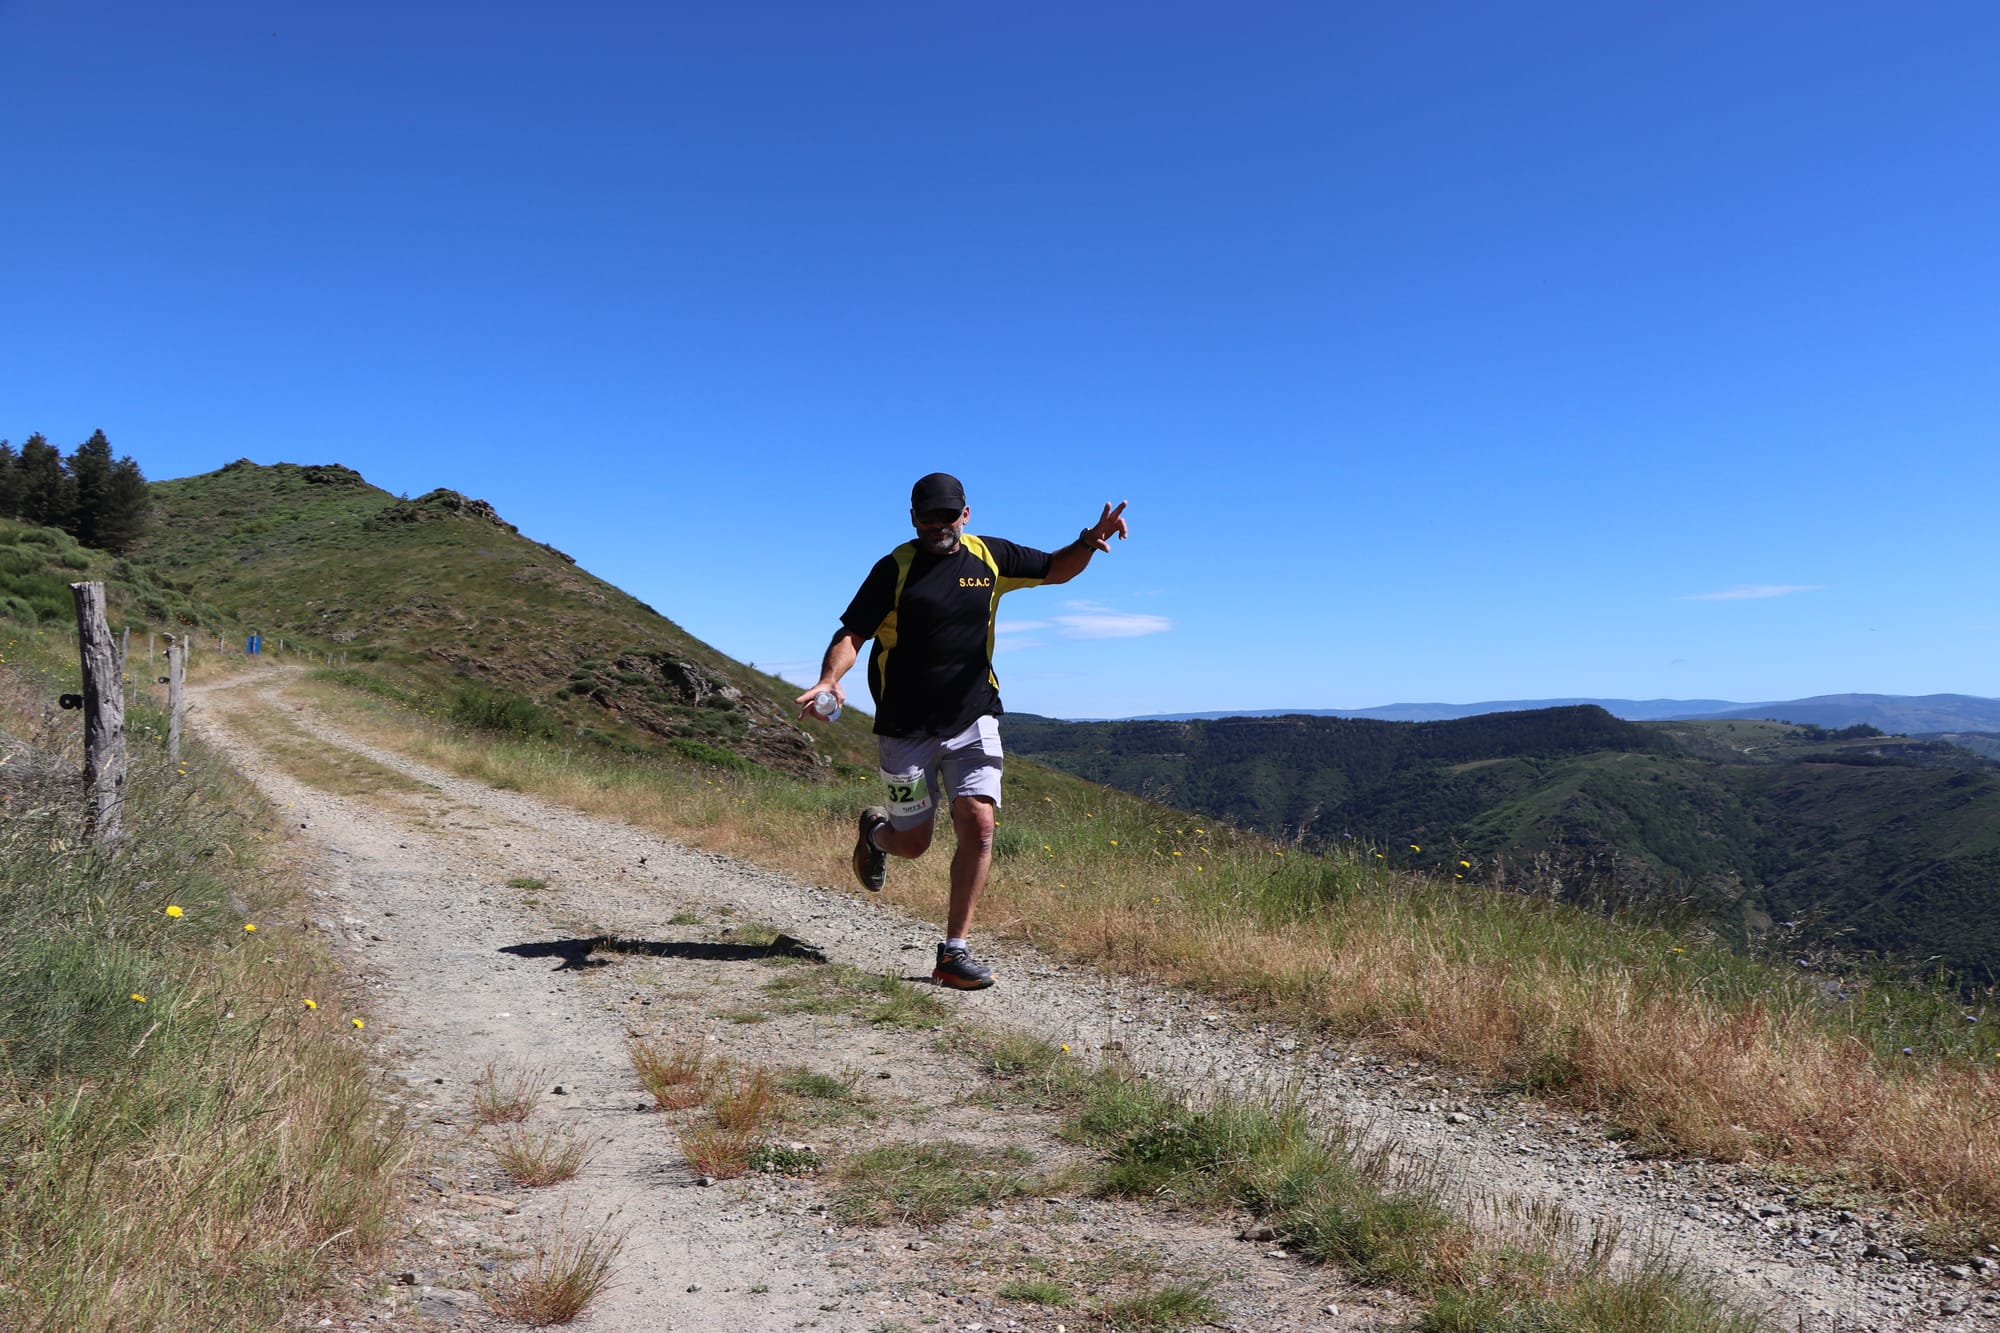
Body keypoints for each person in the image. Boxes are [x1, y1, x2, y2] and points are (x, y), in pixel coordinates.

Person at [798, 472, 1130, 990]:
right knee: (914, 844)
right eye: (928, 518)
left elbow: (1055, 570)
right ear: (913, 518)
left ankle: (953, 952)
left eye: (947, 517)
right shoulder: (895, 569)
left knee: (979, 824)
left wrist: (1088, 541)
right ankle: (876, 833)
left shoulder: (989, 556)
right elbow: (852, 632)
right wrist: (829, 679)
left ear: (965, 514)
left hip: (974, 715)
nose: (938, 527)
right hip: (905, 727)